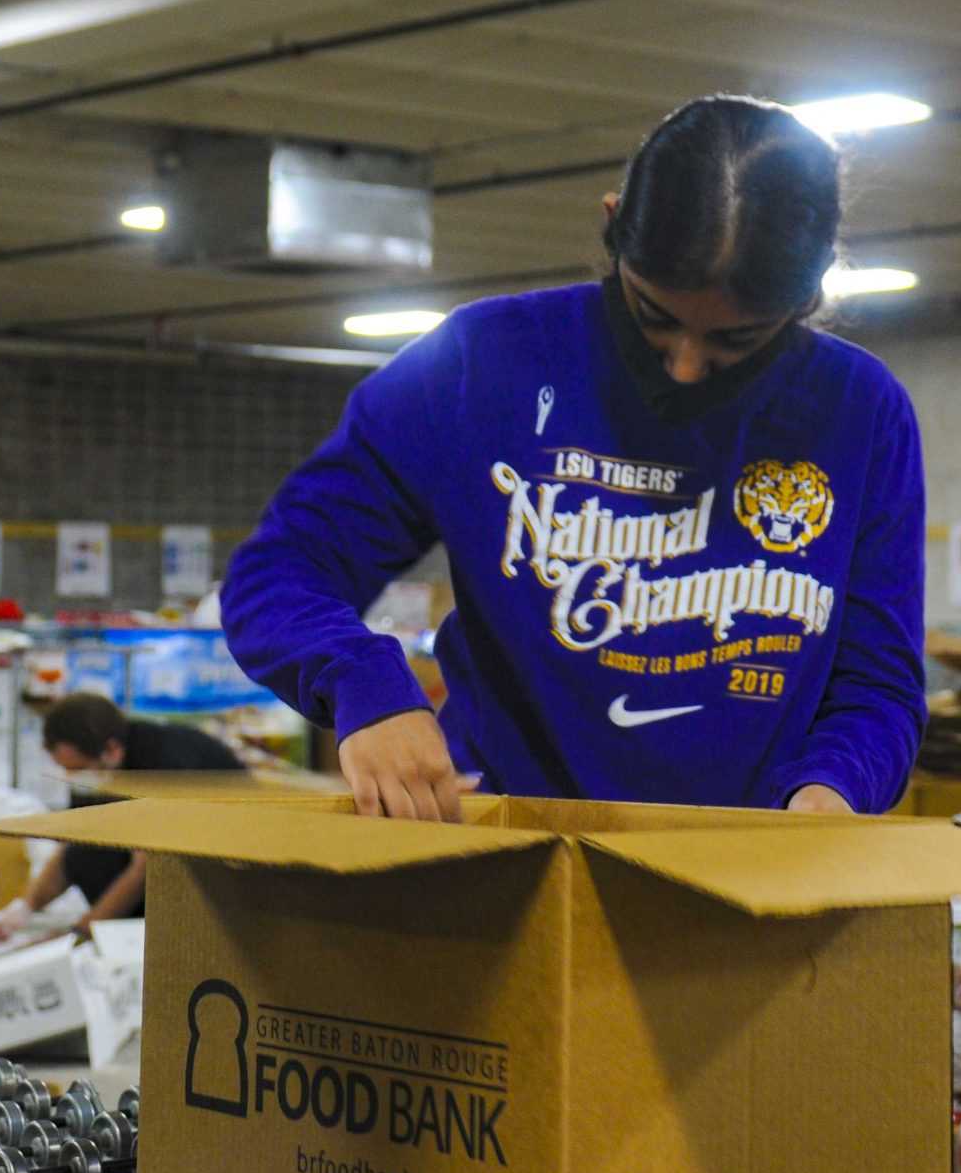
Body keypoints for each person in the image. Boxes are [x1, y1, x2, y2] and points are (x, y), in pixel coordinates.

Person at [224, 95, 925, 823]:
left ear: (809, 295)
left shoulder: (861, 411)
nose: (685, 369)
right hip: (504, 854)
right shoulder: (481, 365)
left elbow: (878, 685)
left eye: (736, 343)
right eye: (655, 317)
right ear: (613, 220)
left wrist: (834, 790)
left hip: (747, 866)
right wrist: (363, 684)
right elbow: (280, 569)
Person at [0, 692, 246, 946]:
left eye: (78, 769)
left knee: (119, 862)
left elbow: (146, 868)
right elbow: (74, 846)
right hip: (161, 855)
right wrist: (23, 908)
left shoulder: (161, 767)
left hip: (226, 870)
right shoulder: (96, 769)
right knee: (89, 850)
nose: (73, 780)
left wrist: (81, 933)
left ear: (112, 751)